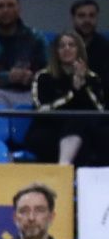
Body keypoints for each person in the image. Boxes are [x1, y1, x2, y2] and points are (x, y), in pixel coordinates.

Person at [28, 32, 106, 165]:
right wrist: (73, 91)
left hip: (85, 129)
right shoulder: (43, 77)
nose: (67, 49)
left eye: (71, 45)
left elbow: (99, 109)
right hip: (51, 127)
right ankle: (64, 166)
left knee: (86, 127)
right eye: (62, 46)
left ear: (79, 50)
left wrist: (82, 84)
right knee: (73, 123)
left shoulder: (92, 78)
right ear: (56, 52)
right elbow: (42, 109)